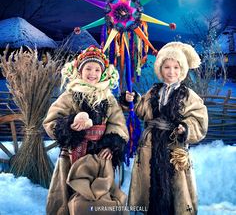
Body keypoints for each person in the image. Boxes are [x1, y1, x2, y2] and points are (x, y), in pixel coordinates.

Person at [124, 42, 208, 215]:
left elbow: (199, 119)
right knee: (150, 181)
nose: (171, 72)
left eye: (176, 67)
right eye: (167, 67)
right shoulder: (154, 92)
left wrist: (185, 128)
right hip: (151, 143)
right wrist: (132, 100)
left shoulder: (188, 95)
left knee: (174, 184)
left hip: (173, 145)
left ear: (182, 70)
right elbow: (142, 110)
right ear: (160, 69)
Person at [43, 45, 129, 215]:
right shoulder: (69, 96)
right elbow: (51, 121)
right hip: (72, 154)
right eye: (88, 68)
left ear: (103, 73)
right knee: (69, 193)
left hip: (101, 157)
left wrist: (111, 145)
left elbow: (118, 125)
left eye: (97, 69)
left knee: (100, 195)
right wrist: (69, 127)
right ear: (80, 71)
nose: (92, 73)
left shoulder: (108, 98)